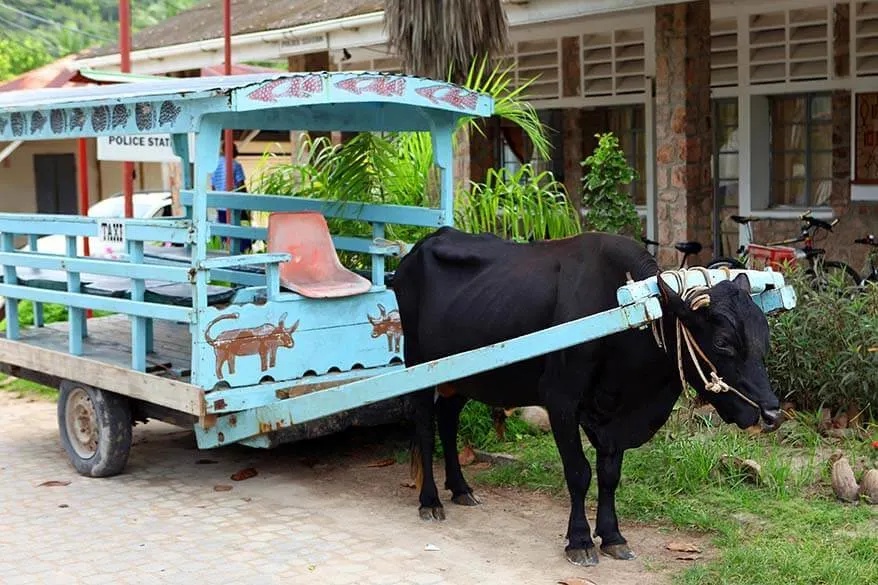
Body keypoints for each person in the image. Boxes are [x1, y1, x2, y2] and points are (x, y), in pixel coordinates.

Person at [210, 143, 252, 253]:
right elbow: (241, 186)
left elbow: (213, 186)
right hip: (235, 205)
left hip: (220, 206)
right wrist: (247, 206)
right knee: (242, 235)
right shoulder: (235, 165)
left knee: (226, 235)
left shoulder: (215, 165)